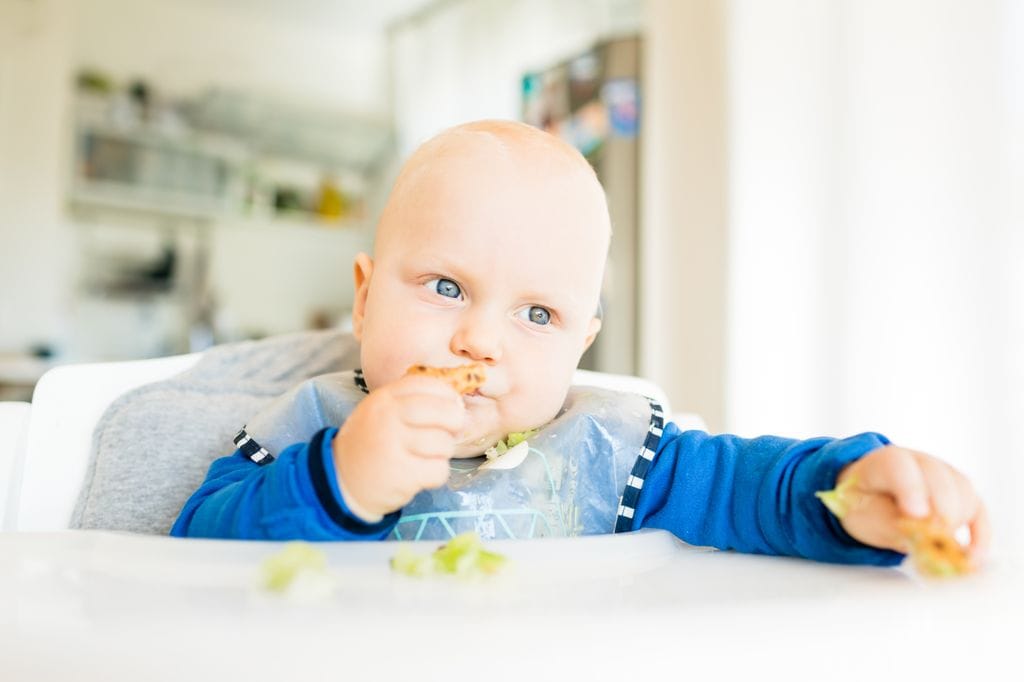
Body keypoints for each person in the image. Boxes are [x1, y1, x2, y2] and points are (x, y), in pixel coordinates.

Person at [171, 120, 989, 568]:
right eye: (446, 288)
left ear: (581, 344)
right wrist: (340, 481)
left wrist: (848, 492)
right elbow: (191, 561)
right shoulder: (309, 431)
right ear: (363, 296)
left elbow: (752, 490)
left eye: (537, 315)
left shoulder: (611, 449)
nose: (480, 339)